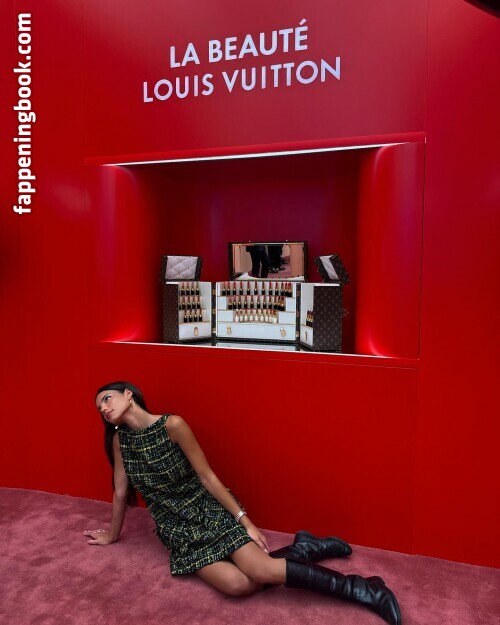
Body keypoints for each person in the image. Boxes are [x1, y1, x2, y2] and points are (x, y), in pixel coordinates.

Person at [85, 382, 401, 625]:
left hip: (207, 510)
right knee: (239, 585)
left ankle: (363, 588)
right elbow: (121, 491)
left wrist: (244, 521)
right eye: (99, 407)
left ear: (129, 395)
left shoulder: (173, 425)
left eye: (107, 399)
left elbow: (207, 477)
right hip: (179, 530)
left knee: (262, 570)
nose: (104, 408)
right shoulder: (120, 441)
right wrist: (112, 535)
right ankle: (303, 549)